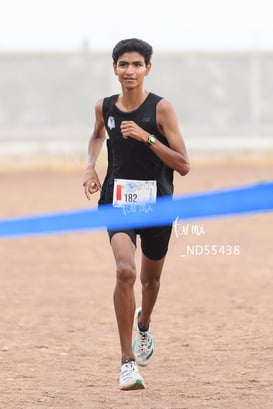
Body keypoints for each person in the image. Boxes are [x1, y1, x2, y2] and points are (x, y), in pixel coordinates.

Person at [83, 38, 190, 391]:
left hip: (158, 206)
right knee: (125, 271)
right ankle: (127, 361)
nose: (129, 71)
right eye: (123, 64)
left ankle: (144, 325)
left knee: (150, 282)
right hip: (118, 205)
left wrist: (147, 138)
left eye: (136, 65)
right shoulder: (105, 107)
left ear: (148, 68)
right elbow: (97, 136)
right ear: (115, 68)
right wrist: (90, 168)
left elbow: (184, 165)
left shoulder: (162, 110)